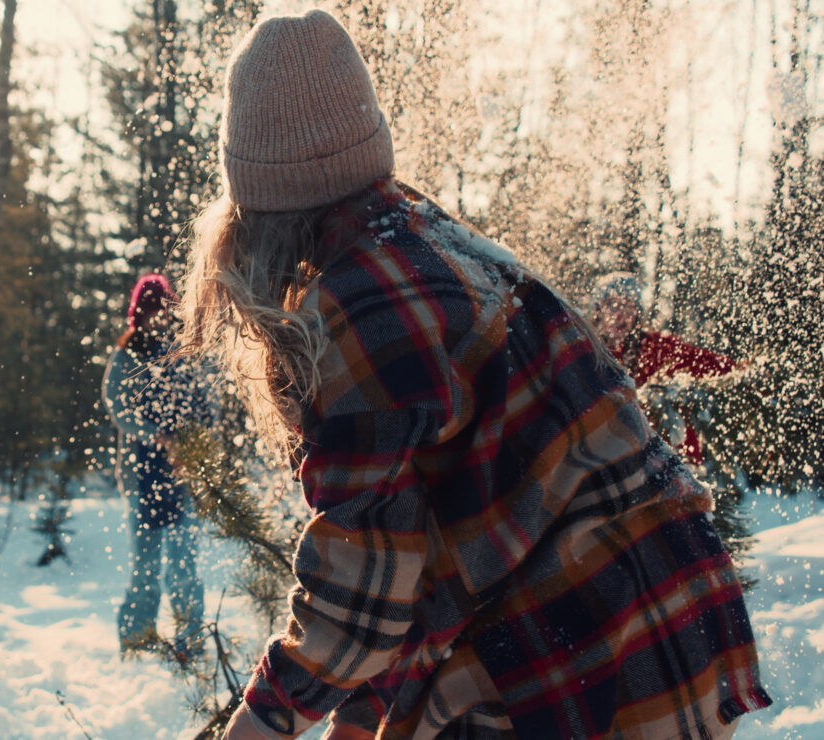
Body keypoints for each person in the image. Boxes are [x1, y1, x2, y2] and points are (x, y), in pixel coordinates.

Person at [177, 11, 770, 740]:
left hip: (584, 648)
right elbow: (433, 548)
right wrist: (362, 719)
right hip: (670, 617)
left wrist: (259, 726)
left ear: (256, 211)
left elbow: (360, 597)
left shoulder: (354, 312)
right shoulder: (441, 244)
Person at [103, 273, 208, 662]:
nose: (160, 319)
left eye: (165, 311)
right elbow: (119, 408)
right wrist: (156, 436)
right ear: (140, 314)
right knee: (145, 568)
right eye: (153, 312)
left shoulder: (179, 352)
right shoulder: (127, 355)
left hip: (182, 476)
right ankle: (136, 644)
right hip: (140, 476)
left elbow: (199, 405)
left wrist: (196, 448)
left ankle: (191, 643)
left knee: (185, 568)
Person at [589, 271, 736, 465]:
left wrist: (744, 369)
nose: (620, 315)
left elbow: (707, 362)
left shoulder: (656, 348)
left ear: (637, 314)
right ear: (599, 310)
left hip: (662, 459)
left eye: (629, 306)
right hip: (607, 457)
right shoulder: (587, 352)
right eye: (613, 305)